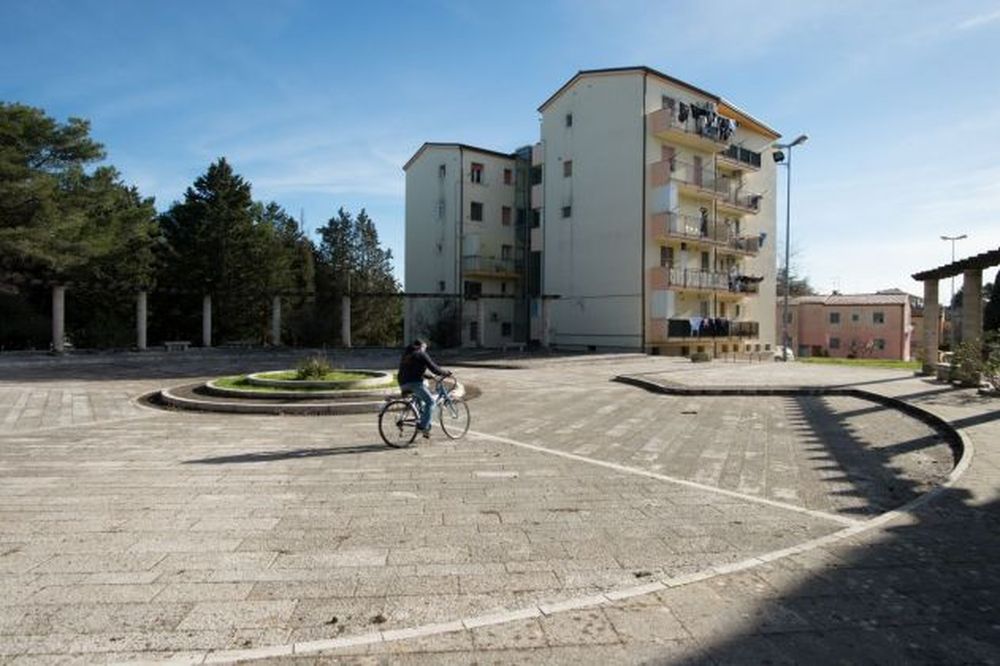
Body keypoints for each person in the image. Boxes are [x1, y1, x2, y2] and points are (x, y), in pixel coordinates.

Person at [397, 339, 451, 438]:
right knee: (431, 402)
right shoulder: (420, 354)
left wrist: (429, 376)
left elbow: (414, 370)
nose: (425, 350)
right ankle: (422, 426)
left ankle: (426, 428)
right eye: (425, 347)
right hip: (414, 383)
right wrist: (445, 372)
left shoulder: (408, 354)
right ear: (421, 346)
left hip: (403, 383)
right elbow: (434, 368)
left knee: (421, 401)